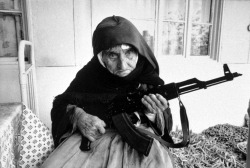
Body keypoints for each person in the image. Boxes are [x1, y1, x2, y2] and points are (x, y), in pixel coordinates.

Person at [41, 16, 175, 168]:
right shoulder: (89, 75)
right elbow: (60, 104)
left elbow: (166, 124)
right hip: (94, 138)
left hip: (140, 138)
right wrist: (78, 116)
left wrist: (153, 113)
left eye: (128, 52)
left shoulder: (147, 76)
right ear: (101, 56)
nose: (122, 64)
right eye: (113, 55)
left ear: (138, 51)